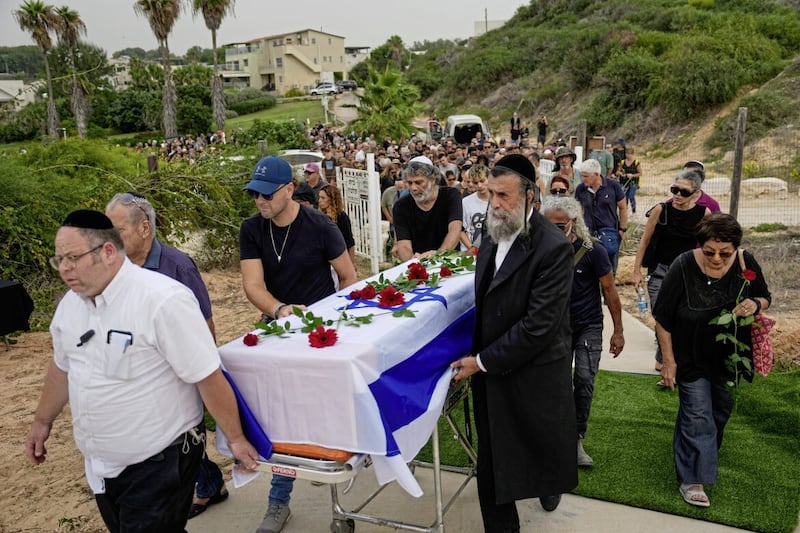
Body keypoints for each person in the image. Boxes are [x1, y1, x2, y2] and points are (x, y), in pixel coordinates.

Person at [25, 210, 259, 532]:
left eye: (73, 258)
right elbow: (62, 367)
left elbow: (206, 375)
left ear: (107, 252)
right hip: (102, 469)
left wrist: (235, 438)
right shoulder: (70, 305)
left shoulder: (162, 300)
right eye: (59, 259)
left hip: (160, 462)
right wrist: (42, 421)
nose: (64, 268)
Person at [451, 154, 578, 531]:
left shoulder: (553, 247)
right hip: (492, 367)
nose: (495, 204)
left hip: (530, 370)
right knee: (492, 460)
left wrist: (482, 361)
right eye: (491, 194)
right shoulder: (493, 230)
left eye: (504, 196)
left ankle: (545, 486)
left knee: (537, 449)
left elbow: (538, 326)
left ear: (530, 195)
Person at [239, 156, 357, 533]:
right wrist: (279, 310)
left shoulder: (321, 225)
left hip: (320, 328)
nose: (259, 201)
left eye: (266, 194)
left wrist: (335, 321)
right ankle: (278, 501)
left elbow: (348, 276)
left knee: (327, 408)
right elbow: (252, 285)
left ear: (289, 189)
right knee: (279, 414)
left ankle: (338, 488)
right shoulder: (252, 229)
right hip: (278, 325)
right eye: (254, 194)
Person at [104, 192, 228, 519]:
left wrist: (203, 375)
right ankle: (210, 483)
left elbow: (205, 324)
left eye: (118, 232)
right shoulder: (114, 269)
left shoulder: (178, 267)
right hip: (138, 377)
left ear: (145, 228)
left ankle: (203, 487)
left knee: (182, 438)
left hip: (178, 373)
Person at [653, 213, 771, 508]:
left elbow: (765, 296)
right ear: (700, 246)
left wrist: (754, 304)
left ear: (735, 249)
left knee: (719, 409)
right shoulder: (682, 265)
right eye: (710, 252)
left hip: (729, 356)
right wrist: (668, 361)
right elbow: (663, 319)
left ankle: (699, 453)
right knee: (698, 413)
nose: (717, 258)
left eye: (724, 253)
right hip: (690, 355)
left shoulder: (745, 261)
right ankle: (693, 479)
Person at [541, 196, 624, 468]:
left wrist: (618, 331)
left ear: (574, 223)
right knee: (557, 382)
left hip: (588, 324)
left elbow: (610, 290)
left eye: (561, 225)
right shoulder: (539, 250)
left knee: (585, 379)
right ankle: (555, 437)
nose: (554, 231)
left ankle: (576, 438)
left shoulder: (593, 251)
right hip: (555, 326)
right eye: (548, 225)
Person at [632, 171, 711, 376]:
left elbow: (708, 246)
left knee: (681, 316)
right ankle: (665, 357)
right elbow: (645, 241)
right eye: (674, 189)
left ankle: (668, 357)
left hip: (686, 273)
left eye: (683, 192)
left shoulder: (704, 214)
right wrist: (636, 271)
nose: (677, 195)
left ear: (695, 194)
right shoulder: (661, 209)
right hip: (659, 270)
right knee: (660, 314)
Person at [392, 155, 463, 261]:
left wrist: (438, 255)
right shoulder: (401, 206)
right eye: (410, 183)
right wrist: (413, 263)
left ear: (433, 179)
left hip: (449, 261)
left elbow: (455, 230)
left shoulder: (450, 196)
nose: (413, 188)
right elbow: (403, 245)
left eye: (418, 182)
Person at [574, 158, 627, 272]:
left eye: (586, 176)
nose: (583, 179)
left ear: (596, 175)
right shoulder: (581, 189)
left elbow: (623, 207)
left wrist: (623, 228)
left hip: (609, 232)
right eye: (582, 176)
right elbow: (578, 210)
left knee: (609, 267)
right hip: (588, 233)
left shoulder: (613, 186)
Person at [318, 184, 356, 265]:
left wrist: (352, 262)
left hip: (340, 257)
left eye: (323, 198)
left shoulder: (341, 217)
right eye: (319, 197)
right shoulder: (319, 217)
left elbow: (349, 241)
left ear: (332, 199)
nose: (319, 201)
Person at [460, 164, 490, 252]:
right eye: (476, 182)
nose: (480, 185)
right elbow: (461, 230)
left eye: (482, 181)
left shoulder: (497, 201)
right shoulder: (465, 202)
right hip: (470, 252)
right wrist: (471, 248)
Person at [619, 148, 642, 213]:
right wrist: (621, 174)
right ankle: (625, 210)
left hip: (633, 182)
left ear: (632, 154)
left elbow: (640, 173)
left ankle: (633, 210)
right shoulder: (622, 162)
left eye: (629, 154)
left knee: (631, 196)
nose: (628, 155)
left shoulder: (636, 163)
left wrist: (632, 175)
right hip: (624, 182)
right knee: (624, 196)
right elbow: (619, 171)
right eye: (627, 154)